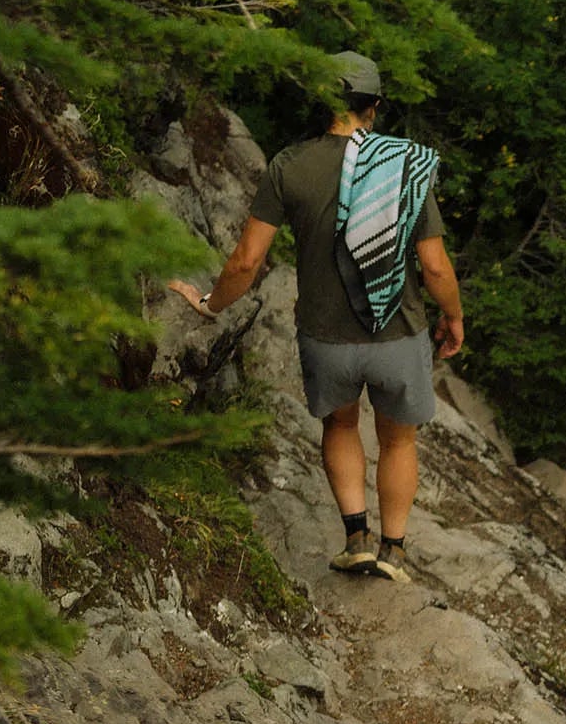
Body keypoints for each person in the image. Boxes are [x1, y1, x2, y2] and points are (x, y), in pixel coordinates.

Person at [169, 50, 465, 583]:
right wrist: (454, 318)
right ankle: (394, 551)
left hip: (326, 336)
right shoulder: (403, 166)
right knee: (399, 439)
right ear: (373, 107)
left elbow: (247, 262)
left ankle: (356, 539)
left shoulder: (289, 165)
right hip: (397, 333)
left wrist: (209, 304)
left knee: (341, 424)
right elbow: (436, 267)